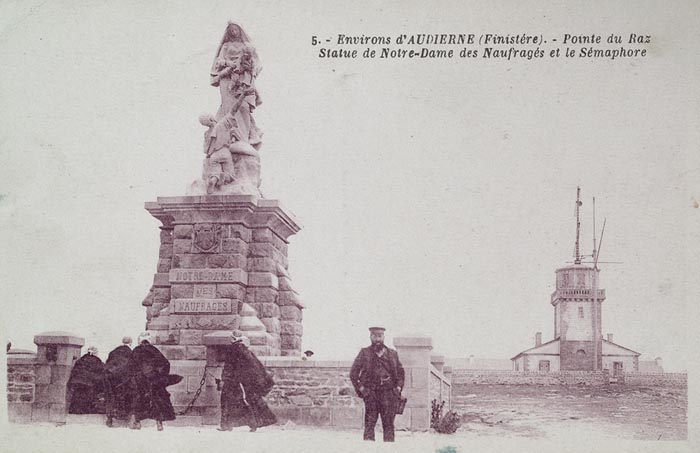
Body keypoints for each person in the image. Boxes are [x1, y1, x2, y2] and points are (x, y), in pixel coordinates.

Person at [210, 22, 262, 148]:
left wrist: (251, 69)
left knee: (243, 107)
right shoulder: (226, 46)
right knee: (229, 107)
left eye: (236, 29)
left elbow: (257, 62)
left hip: (244, 77)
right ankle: (231, 137)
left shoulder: (247, 46)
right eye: (231, 30)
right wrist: (229, 63)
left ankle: (245, 137)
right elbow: (219, 61)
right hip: (227, 78)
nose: (234, 32)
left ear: (240, 29)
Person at [350, 327, 405, 442]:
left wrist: (398, 388)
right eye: (374, 336)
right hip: (371, 394)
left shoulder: (392, 354)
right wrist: (361, 388)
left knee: (389, 425)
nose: (377, 339)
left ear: (384, 337)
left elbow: (400, 373)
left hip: (388, 394)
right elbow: (353, 373)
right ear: (370, 337)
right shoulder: (364, 353)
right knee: (369, 424)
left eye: (380, 336)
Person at [199, 87, 256, 194]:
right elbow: (234, 109)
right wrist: (243, 95)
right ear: (212, 119)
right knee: (230, 175)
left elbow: (205, 150)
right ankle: (223, 177)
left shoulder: (206, 134)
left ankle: (214, 179)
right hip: (224, 153)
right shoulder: (222, 124)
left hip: (213, 156)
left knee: (214, 173)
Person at [218, 330, 276, 432]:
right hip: (242, 381)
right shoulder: (244, 350)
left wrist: (225, 379)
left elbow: (229, 367)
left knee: (229, 401)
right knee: (246, 402)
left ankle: (227, 425)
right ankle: (251, 424)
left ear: (233, 339)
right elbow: (254, 365)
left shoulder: (234, 350)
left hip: (233, 381)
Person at [127, 331, 176, 431]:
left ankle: (138, 422)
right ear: (149, 341)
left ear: (140, 341)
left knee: (139, 399)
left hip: (140, 379)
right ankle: (159, 423)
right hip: (154, 379)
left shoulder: (136, 350)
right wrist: (160, 375)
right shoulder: (154, 350)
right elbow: (166, 363)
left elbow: (130, 366)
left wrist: (135, 376)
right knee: (157, 400)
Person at [103, 336, 134, 427]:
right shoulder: (130, 352)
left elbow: (107, 363)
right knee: (127, 395)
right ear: (130, 343)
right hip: (123, 378)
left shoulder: (113, 351)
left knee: (110, 396)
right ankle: (125, 417)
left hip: (110, 376)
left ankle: (109, 419)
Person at [67, 346, 105, 414]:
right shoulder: (96, 360)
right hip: (88, 382)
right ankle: (84, 410)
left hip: (77, 381)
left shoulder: (81, 359)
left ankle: (74, 410)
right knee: (87, 396)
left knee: (77, 395)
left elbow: (75, 371)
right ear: (95, 353)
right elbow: (101, 370)